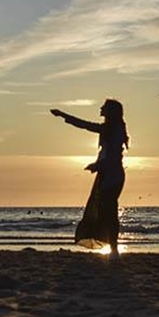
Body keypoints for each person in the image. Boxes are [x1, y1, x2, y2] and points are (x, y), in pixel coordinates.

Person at [51, 99, 128, 258]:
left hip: (113, 176)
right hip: (107, 175)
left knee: (109, 213)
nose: (101, 109)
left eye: (104, 107)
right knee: (106, 212)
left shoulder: (116, 129)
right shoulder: (108, 128)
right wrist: (63, 115)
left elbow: (113, 157)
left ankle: (114, 249)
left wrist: (97, 165)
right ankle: (113, 248)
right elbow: (85, 125)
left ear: (111, 111)